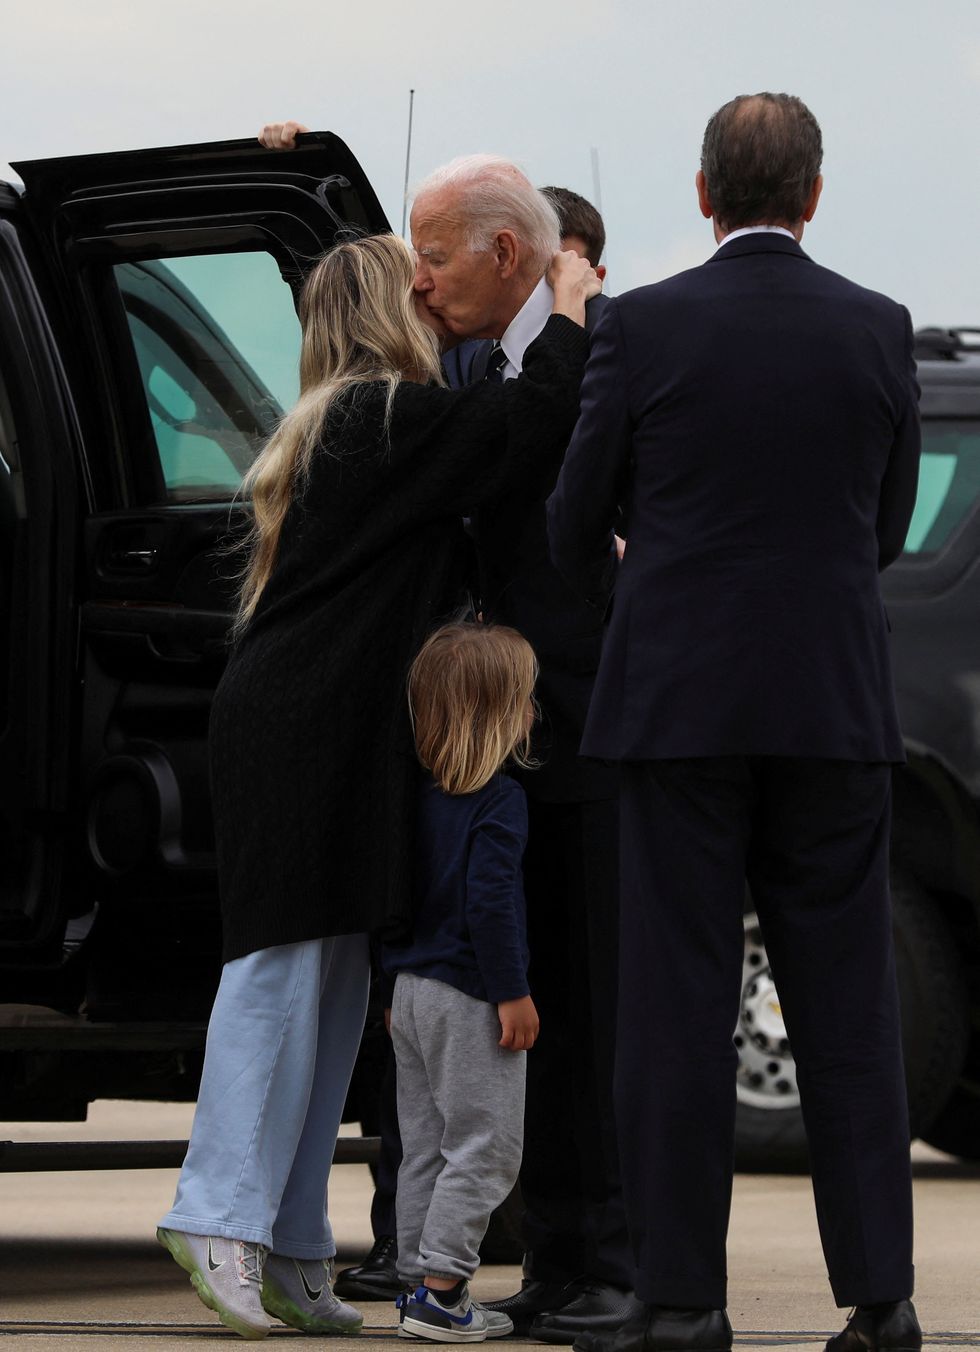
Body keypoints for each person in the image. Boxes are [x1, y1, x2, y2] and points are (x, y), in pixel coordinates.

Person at [155, 230, 597, 1341]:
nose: (432, 295)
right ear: (381, 311)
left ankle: (295, 1245)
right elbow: (519, 427)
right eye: (416, 283)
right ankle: (213, 1215)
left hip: (327, 735)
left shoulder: (347, 421)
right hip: (301, 736)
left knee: (332, 993)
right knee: (276, 981)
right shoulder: (373, 416)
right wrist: (573, 315)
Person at [547, 92, 922, 1352]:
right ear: (811, 196)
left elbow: (569, 520)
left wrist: (643, 593)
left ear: (701, 193)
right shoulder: (876, 328)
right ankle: (879, 1299)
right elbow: (878, 533)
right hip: (829, 707)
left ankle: (679, 1297)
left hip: (677, 709)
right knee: (849, 1013)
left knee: (672, 1007)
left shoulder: (639, 326)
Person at [259, 126, 633, 1339]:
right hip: (472, 748)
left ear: (510, 254)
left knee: (577, 1005)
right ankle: (535, 1254)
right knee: (481, 1008)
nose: (419, 281)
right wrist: (304, 146)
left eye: (435, 258)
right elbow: (364, 318)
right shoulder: (459, 376)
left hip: (578, 730)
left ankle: (601, 1258)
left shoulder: (603, 353)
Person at [383, 621, 541, 1342]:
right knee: (486, 1144)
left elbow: (389, 893)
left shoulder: (411, 800)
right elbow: (491, 902)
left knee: (425, 1144)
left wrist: (389, 985)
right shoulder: (499, 800)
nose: (536, 712)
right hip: (471, 994)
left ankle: (418, 1279)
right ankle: (443, 1292)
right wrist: (513, 990)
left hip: (410, 991)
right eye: (528, 700)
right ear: (502, 713)